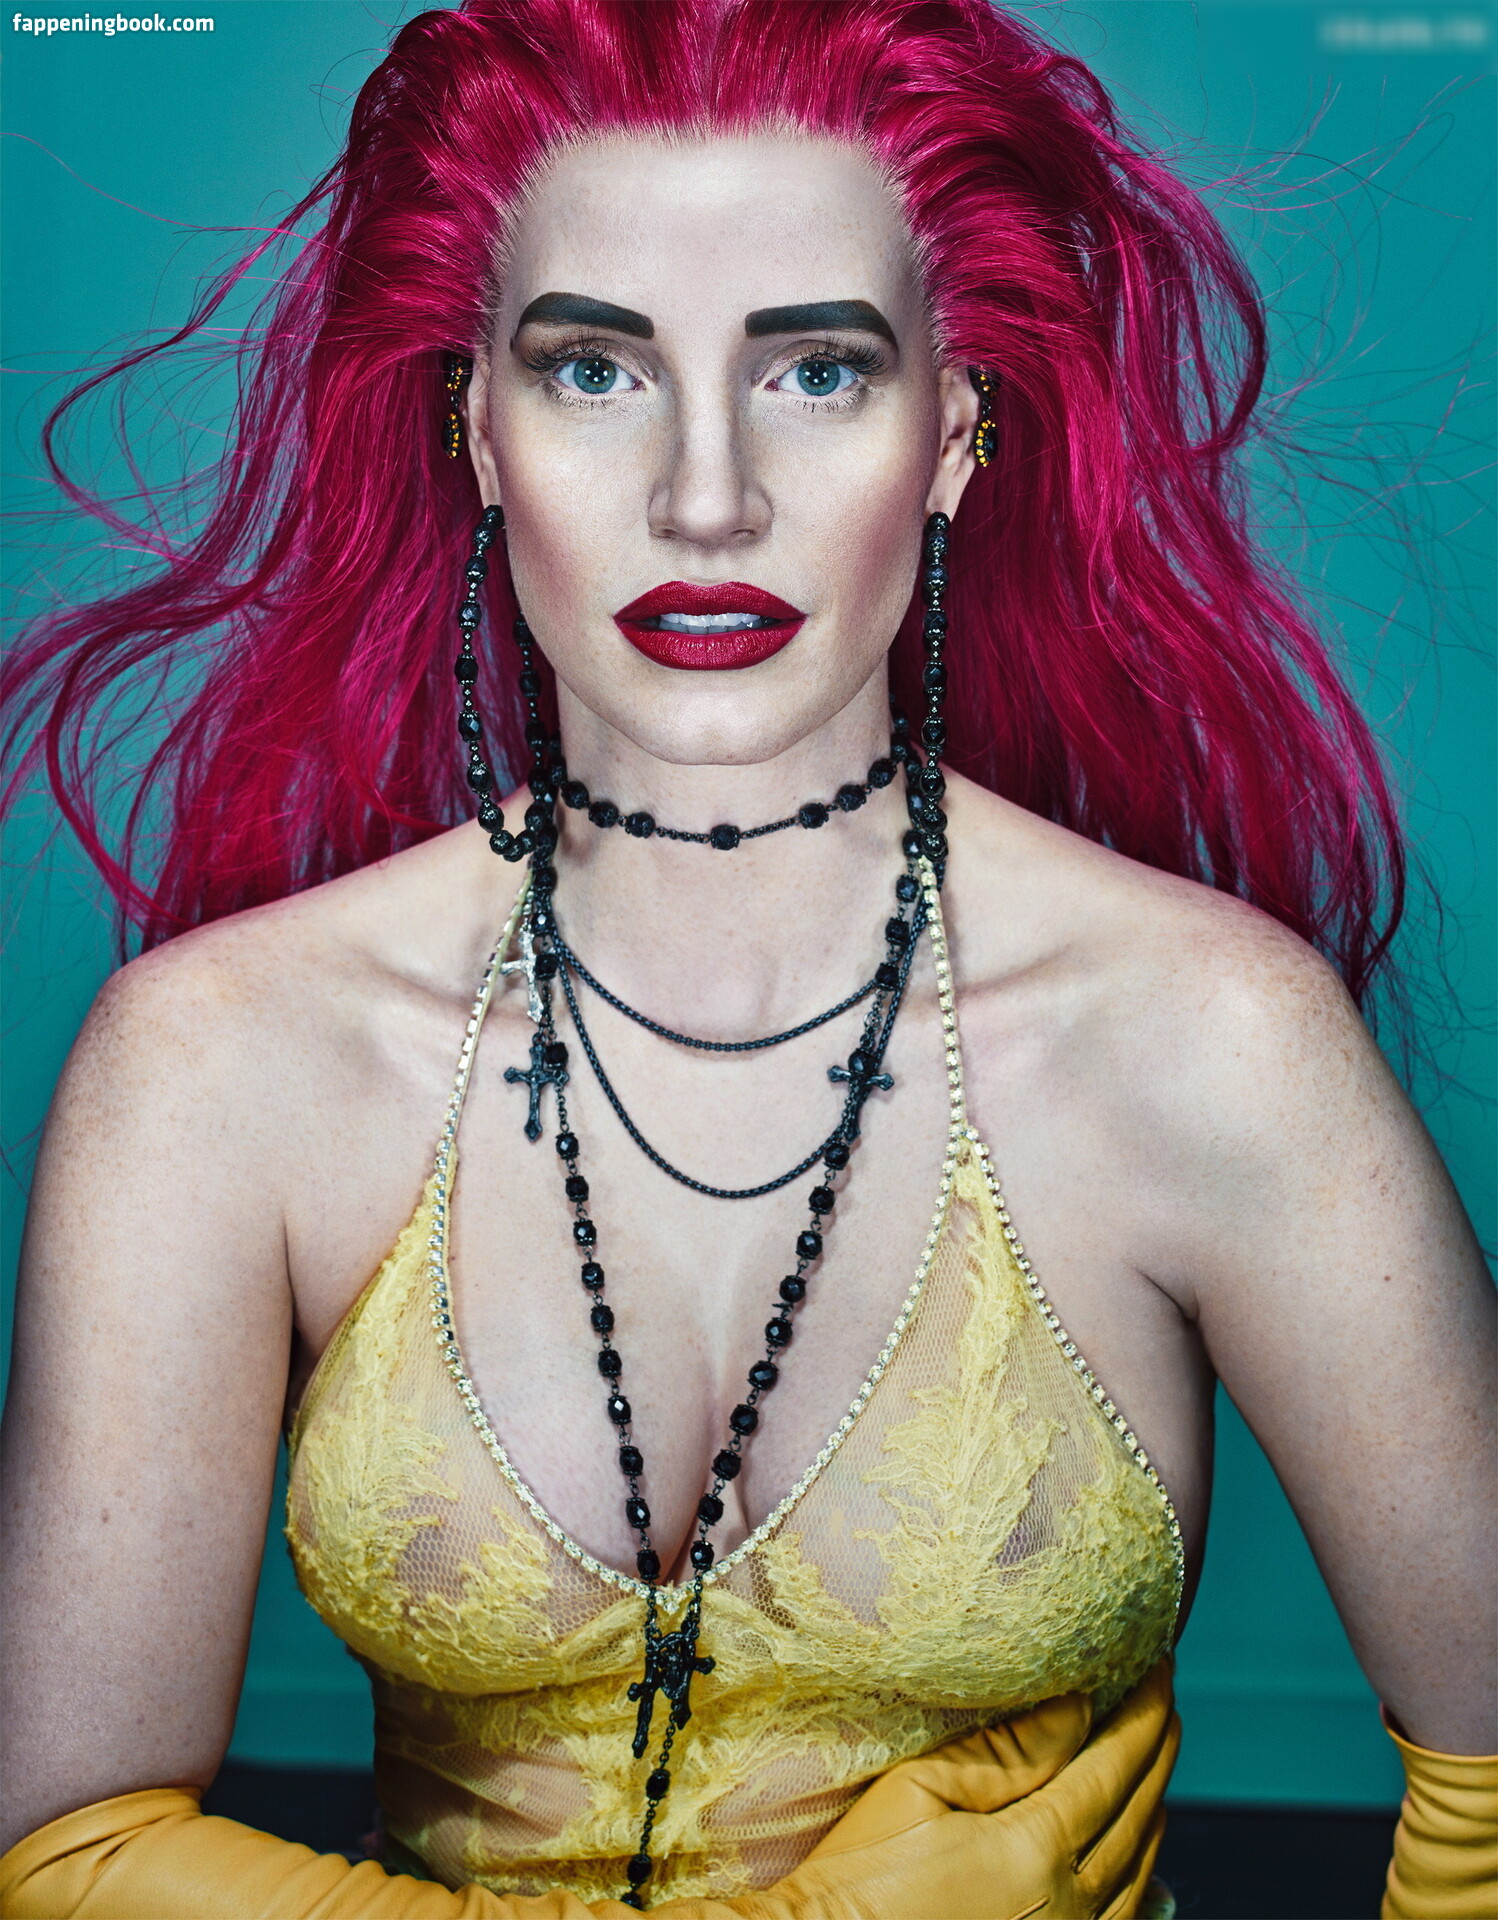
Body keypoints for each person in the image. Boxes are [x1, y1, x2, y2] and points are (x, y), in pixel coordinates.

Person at [0, 2, 1492, 1915]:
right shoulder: (217, 1059)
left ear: (953, 435)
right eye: (594, 370)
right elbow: (65, 1852)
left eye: (814, 371)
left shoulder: (1210, 1041)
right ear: (476, 432)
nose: (705, 499)